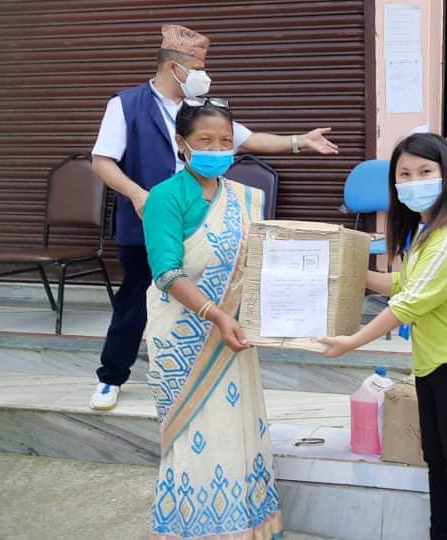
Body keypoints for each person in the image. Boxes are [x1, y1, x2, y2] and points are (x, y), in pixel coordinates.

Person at [89, 25, 338, 410]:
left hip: (206, 219)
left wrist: (298, 141)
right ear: (174, 67)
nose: (205, 74)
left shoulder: (200, 106)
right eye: (199, 66)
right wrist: (138, 194)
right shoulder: (126, 105)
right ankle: (111, 377)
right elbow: (102, 160)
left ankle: (201, 369)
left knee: (210, 292)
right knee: (138, 298)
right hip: (150, 220)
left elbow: (249, 139)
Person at [318, 133, 447, 540]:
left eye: (425, 171)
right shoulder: (428, 229)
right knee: (437, 460)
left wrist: (352, 341)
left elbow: (410, 302)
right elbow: (405, 281)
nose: (413, 180)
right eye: (404, 173)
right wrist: (346, 270)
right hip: (436, 358)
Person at [142, 98, 284, 538]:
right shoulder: (166, 197)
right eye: (206, 141)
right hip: (185, 339)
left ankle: (245, 525)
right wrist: (215, 315)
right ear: (183, 144)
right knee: (193, 435)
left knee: (237, 429)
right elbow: (166, 272)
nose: (218, 149)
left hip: (233, 334)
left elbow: (262, 261)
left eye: (226, 141)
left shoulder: (244, 198)